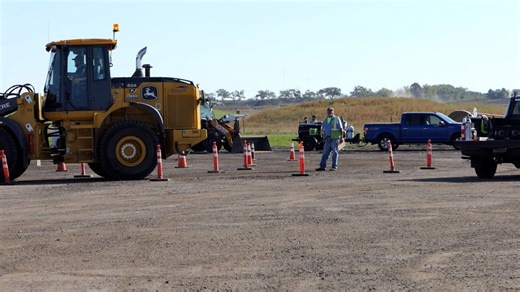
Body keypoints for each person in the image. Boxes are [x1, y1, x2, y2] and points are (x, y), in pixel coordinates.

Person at [316, 107, 344, 171]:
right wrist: (323, 136)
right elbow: (323, 129)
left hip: (335, 138)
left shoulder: (336, 119)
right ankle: (322, 166)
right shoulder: (325, 119)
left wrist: (341, 138)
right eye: (328, 111)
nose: (329, 113)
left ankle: (334, 166)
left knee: (335, 152)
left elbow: (340, 129)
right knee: (325, 153)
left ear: (333, 112)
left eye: (331, 111)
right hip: (328, 138)